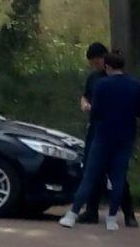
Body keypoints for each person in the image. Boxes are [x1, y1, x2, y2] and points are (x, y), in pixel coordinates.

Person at [60, 52, 140, 231]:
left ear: (107, 67)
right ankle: (112, 218)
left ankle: (72, 214)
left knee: (90, 176)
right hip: (126, 136)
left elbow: (96, 111)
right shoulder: (135, 84)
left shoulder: (102, 84)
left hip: (103, 136)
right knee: (118, 177)